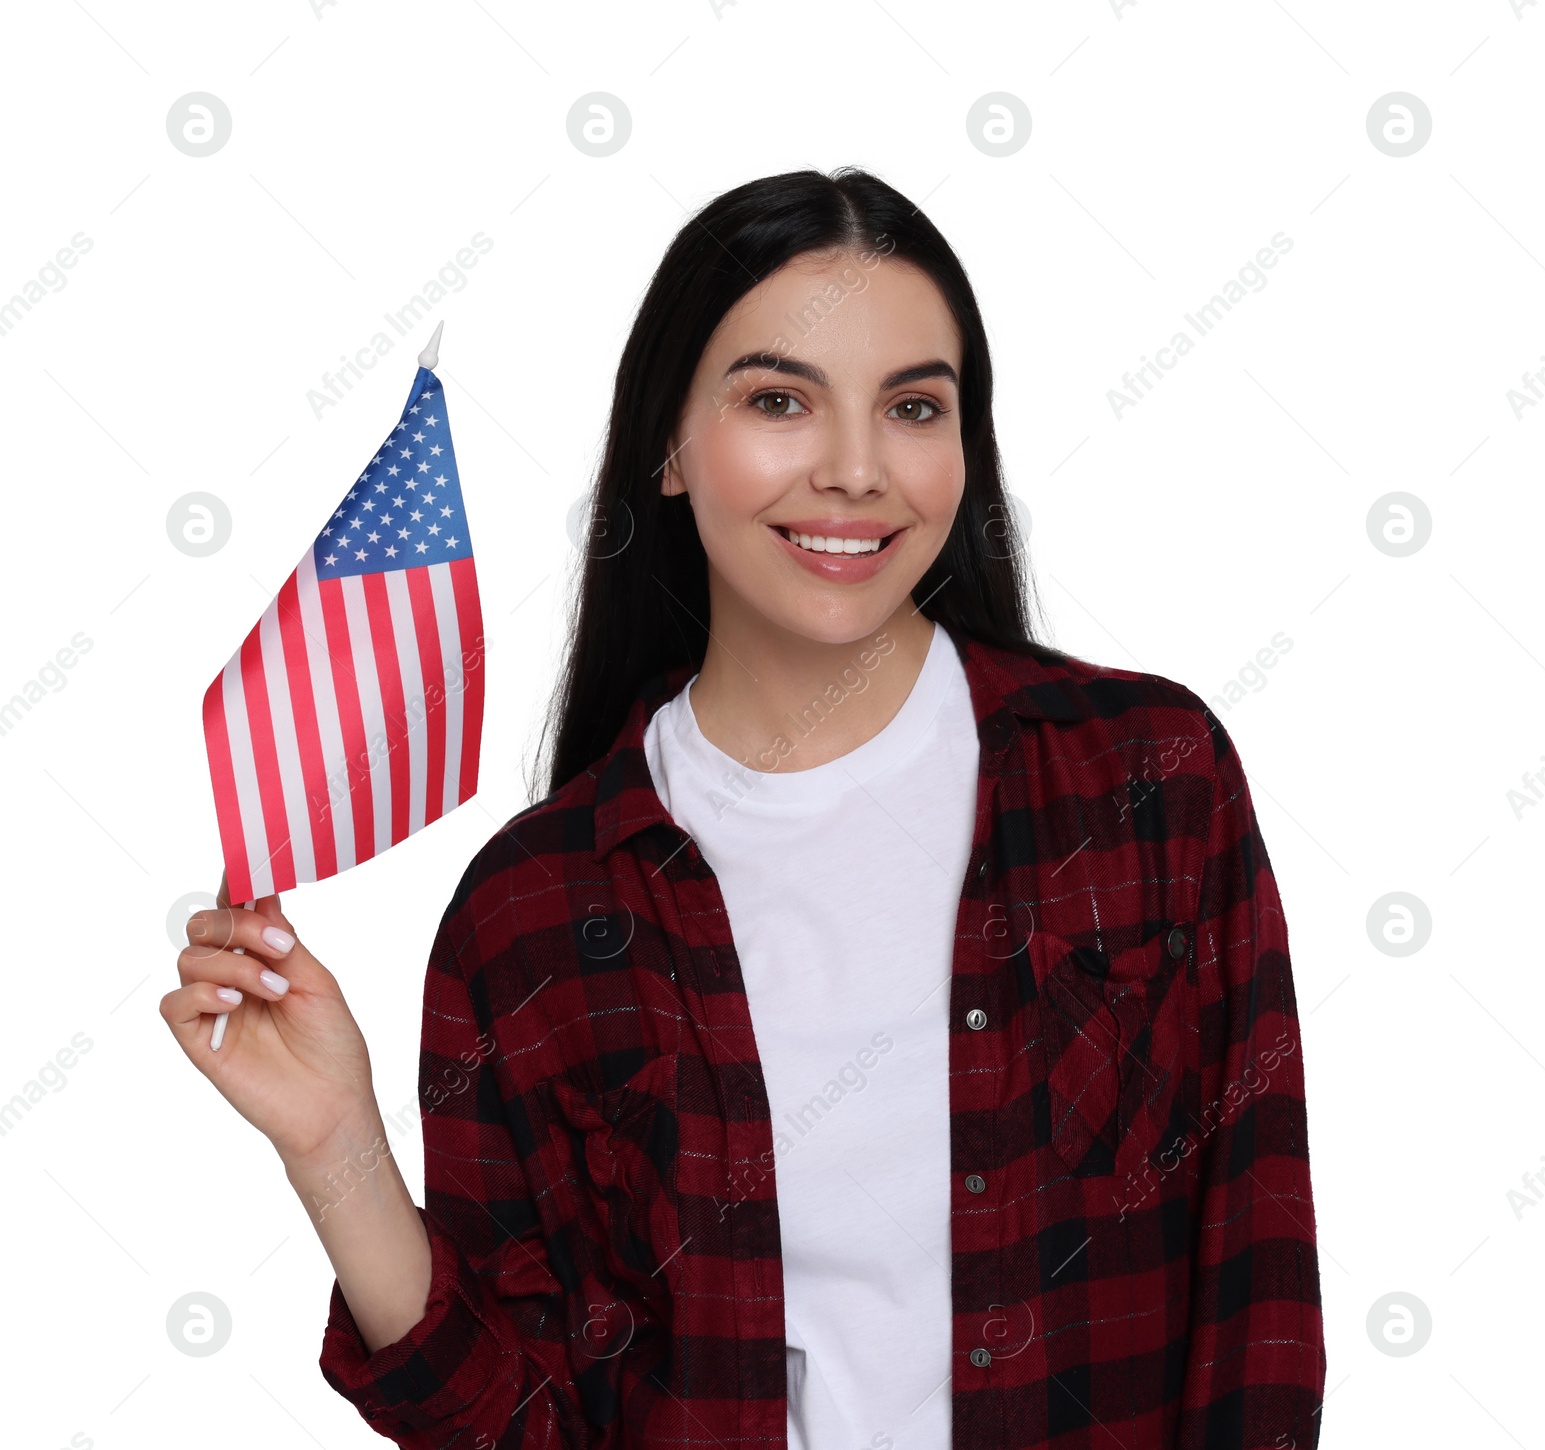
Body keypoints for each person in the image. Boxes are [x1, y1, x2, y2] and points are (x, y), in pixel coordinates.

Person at [162, 167, 1326, 1449]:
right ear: (668, 444)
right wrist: (336, 1150)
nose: (852, 468)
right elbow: (525, 1426)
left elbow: (1255, 1295)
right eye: (779, 400)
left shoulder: (1147, 780)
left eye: (913, 407)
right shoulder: (534, 914)